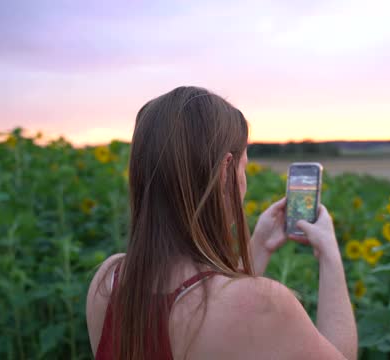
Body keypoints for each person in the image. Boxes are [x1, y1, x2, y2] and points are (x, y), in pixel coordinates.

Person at [86, 86, 357, 359]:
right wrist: (329, 254)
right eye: (244, 168)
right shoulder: (265, 304)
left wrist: (259, 244)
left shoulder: (110, 282)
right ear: (225, 172)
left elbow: (210, 295)